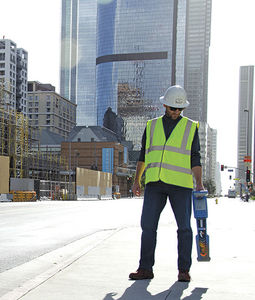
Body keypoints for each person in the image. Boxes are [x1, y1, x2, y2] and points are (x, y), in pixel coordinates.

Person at [129, 85, 204, 282]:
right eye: (173, 108)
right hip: (155, 183)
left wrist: (199, 183)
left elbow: (195, 157)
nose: (176, 112)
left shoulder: (190, 127)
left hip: (181, 185)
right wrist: (137, 180)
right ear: (164, 105)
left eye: (180, 109)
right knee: (147, 226)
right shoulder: (151, 126)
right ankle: (145, 268)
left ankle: (184, 270)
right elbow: (143, 155)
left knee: (184, 228)